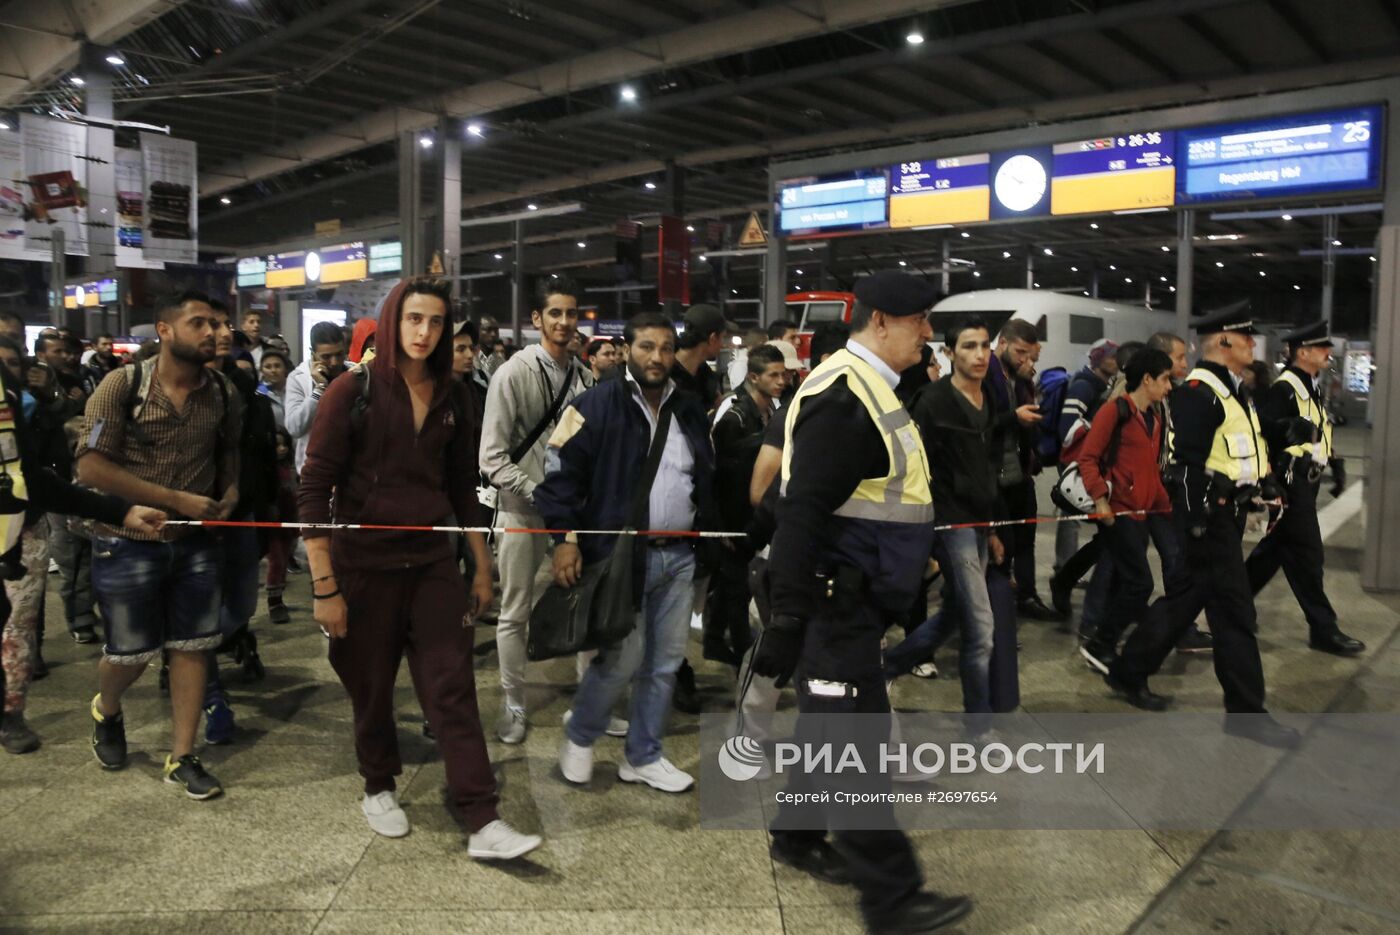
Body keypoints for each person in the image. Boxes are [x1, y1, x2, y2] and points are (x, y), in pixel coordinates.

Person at [751, 271, 973, 933]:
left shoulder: (873, 389)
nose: (928, 331)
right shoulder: (845, 396)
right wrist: (788, 617)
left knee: (831, 730)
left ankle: (794, 835)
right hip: (829, 605)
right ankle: (892, 897)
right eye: (919, 320)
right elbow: (800, 513)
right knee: (859, 744)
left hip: (848, 600)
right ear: (880, 320)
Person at [299, 276, 540, 859]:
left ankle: (481, 817)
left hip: (434, 564)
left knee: (451, 687)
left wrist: (480, 566)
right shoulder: (349, 391)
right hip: (364, 568)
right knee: (371, 686)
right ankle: (378, 783)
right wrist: (324, 585)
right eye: (413, 319)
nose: (424, 332)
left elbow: (463, 491)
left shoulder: (455, 395)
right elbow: (312, 490)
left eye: (435, 322)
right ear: (391, 320)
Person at [75, 290, 243, 797]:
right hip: (126, 540)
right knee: (131, 654)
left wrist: (229, 493)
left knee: (193, 649)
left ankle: (183, 756)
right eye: (199, 323)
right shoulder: (121, 385)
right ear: (164, 331)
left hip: (194, 544)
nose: (213, 332)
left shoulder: (223, 392)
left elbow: (229, 452)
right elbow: (90, 465)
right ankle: (107, 709)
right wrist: (175, 499)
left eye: (216, 323)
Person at [540, 312, 715, 793]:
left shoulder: (691, 408)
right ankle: (579, 735)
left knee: (665, 662)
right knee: (621, 658)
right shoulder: (592, 405)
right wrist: (565, 541)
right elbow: (558, 478)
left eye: (664, 348)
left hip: (679, 556)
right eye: (645, 347)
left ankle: (643, 755)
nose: (656, 357)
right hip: (620, 558)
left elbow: (703, 476)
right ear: (627, 350)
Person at [1110, 306, 1297, 746]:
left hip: (1224, 517)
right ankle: (1246, 714)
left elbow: (1238, 452)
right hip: (1210, 521)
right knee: (1234, 614)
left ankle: (1128, 670)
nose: (1254, 345)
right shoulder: (1201, 391)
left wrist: (1265, 478)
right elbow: (1187, 465)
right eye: (1247, 338)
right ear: (1224, 341)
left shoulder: (1232, 392)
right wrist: (1195, 522)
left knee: (1184, 601)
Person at [0, 349, 167, 755]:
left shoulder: (8, 393)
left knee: (15, 631)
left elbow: (26, 476)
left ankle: (9, 712)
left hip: (18, 534)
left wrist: (120, 510)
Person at [888, 317, 1037, 712]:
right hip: (950, 524)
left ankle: (886, 665)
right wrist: (928, 531)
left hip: (978, 522)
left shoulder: (986, 398)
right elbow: (917, 468)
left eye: (985, 345)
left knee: (957, 614)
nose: (980, 354)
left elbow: (985, 467)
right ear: (950, 353)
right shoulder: (932, 400)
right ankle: (979, 724)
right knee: (981, 629)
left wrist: (992, 527)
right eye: (969, 346)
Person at [479, 276, 594, 744]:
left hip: (569, 516)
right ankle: (512, 703)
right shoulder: (512, 373)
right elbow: (490, 458)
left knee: (585, 605)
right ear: (536, 320)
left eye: (571, 313)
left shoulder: (585, 377)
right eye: (555, 314)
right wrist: (538, 493)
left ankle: (591, 702)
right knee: (515, 611)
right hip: (520, 513)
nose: (564, 322)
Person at [1071, 349, 1188, 702]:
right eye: (1165, 378)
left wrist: (1163, 506)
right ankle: (1100, 643)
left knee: (1128, 582)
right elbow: (1088, 457)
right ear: (1147, 379)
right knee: (1140, 583)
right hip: (1117, 513)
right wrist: (1101, 500)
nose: (1170, 385)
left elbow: (1149, 471)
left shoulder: (1152, 416)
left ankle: (1108, 647)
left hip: (1141, 513)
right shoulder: (1115, 411)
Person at [1245, 321, 1363, 656]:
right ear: (1302, 353)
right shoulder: (1285, 389)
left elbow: (1316, 433)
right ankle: (1324, 629)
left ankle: (1230, 604)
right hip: (1290, 485)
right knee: (1309, 558)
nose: (1329, 353)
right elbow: (1266, 434)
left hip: (1305, 482)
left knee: (1272, 554)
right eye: (1322, 348)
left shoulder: (1310, 386)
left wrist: (1334, 463)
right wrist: (1269, 484)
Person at [199, 300, 279, 744]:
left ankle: (193, 651)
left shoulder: (244, 387)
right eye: (211, 324)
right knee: (199, 605)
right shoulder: (168, 386)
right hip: (193, 519)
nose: (223, 332)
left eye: (226, 324)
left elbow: (261, 455)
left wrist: (266, 507)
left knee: (242, 604)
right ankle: (208, 692)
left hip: (242, 513)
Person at [707, 344, 787, 666]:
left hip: (755, 515)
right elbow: (720, 475)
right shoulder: (735, 415)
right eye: (774, 375)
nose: (782, 380)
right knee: (738, 587)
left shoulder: (772, 408)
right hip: (735, 517)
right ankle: (744, 652)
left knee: (733, 585)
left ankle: (715, 640)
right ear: (754, 377)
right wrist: (723, 527)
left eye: (784, 374)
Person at [986, 319, 1052, 621]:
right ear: (1003, 344)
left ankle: (1026, 596)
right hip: (994, 477)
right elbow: (980, 424)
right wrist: (1014, 417)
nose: (1027, 361)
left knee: (1025, 540)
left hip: (1020, 474)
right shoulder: (985, 375)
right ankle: (996, 612)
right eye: (1021, 353)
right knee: (999, 548)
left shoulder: (1023, 380)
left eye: (1033, 357)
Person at [286, 321, 348, 473]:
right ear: (313, 354)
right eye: (326, 357)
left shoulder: (355, 373)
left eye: (339, 354)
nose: (334, 362)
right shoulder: (298, 378)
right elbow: (295, 427)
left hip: (350, 469)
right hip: (314, 471)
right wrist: (319, 391)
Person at [265, 427, 298, 625]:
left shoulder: (289, 468)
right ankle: (274, 602)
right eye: (277, 445)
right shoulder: (267, 472)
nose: (282, 449)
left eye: (285, 444)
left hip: (290, 519)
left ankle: (279, 595)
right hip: (273, 522)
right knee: (276, 560)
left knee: (284, 559)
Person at [257, 349, 291, 430]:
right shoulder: (259, 393)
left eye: (277, 366)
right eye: (268, 367)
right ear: (261, 371)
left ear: (285, 368)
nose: (273, 370)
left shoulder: (296, 388)